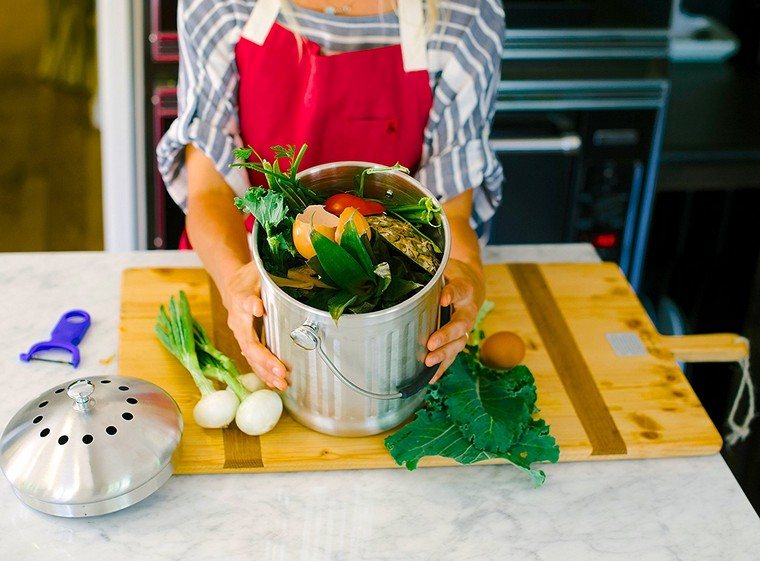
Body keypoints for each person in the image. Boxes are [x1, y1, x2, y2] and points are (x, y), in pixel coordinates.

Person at [158, 0, 505, 391]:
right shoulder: (221, 5)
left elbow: (450, 210)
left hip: (391, 300)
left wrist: (467, 275)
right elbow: (209, 190)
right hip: (245, 264)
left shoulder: (465, 15)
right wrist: (235, 282)